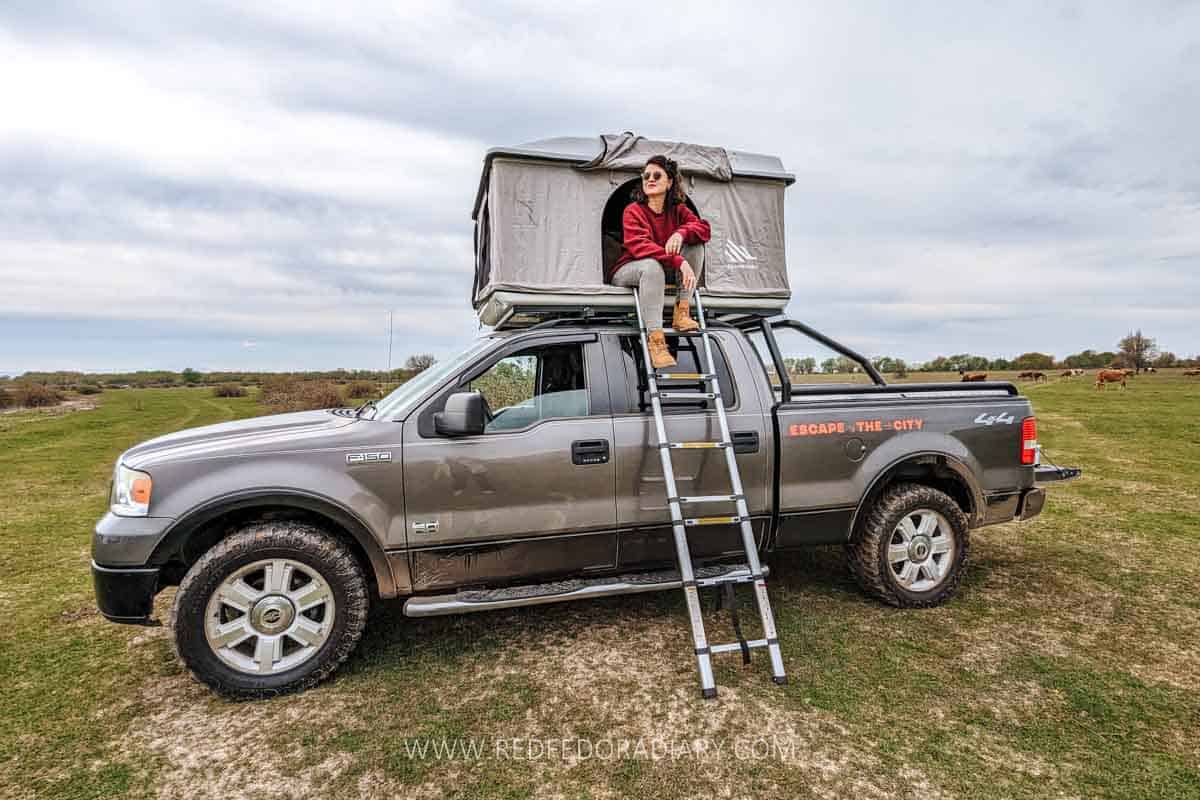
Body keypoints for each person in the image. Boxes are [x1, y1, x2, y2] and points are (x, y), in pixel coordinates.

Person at [608, 155, 712, 368]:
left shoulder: (678, 210)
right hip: (628, 270)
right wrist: (678, 261)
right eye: (646, 176)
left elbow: (705, 229)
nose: (650, 179)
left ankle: (682, 311)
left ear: (670, 182)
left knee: (696, 243)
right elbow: (640, 247)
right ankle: (656, 343)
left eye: (657, 175)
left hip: (663, 269)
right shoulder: (633, 211)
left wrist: (682, 233)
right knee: (652, 267)